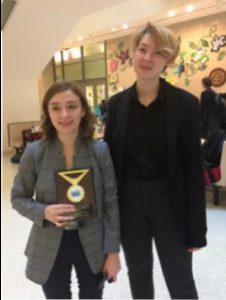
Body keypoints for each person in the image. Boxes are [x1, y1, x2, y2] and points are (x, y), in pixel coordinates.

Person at [104, 22, 207, 299]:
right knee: (138, 273)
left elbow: (192, 167)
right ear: (134, 53)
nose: (148, 58)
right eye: (143, 49)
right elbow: (110, 164)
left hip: (170, 201)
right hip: (129, 204)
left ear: (169, 61)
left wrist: (196, 228)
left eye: (158, 52)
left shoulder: (185, 104)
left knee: (180, 277)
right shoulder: (116, 105)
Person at [11, 81, 121, 299]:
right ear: (47, 113)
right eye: (55, 107)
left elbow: (111, 202)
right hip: (49, 243)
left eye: (71, 106)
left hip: (93, 242)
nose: (64, 114)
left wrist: (113, 252)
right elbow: (18, 198)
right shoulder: (34, 153)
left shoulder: (99, 151)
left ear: (82, 110)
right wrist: (43, 212)